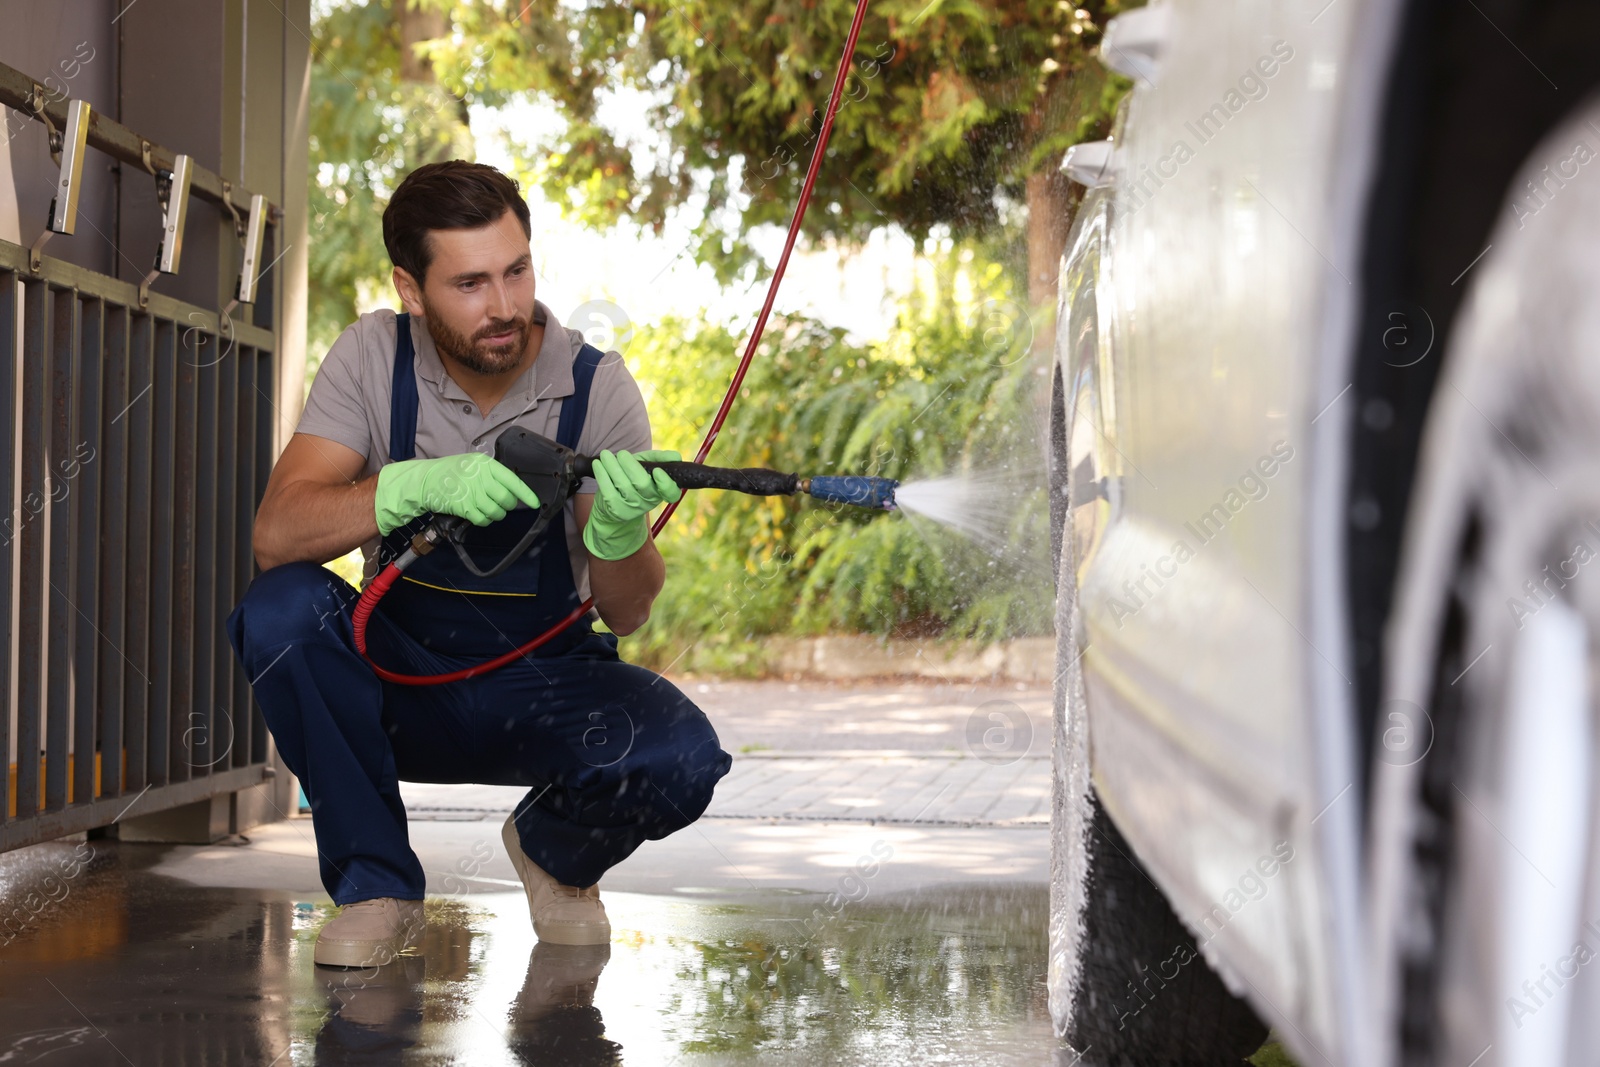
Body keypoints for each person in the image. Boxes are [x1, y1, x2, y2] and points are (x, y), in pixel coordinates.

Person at [226, 160, 733, 968]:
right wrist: (404, 487)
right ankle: (377, 888)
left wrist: (618, 534)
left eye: (516, 270)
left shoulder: (594, 386)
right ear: (411, 287)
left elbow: (629, 612)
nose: (504, 307)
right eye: (469, 283)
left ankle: (554, 856)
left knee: (682, 755)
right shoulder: (370, 358)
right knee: (281, 609)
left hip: (542, 687)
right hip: (400, 681)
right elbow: (276, 533)